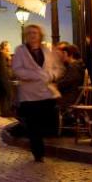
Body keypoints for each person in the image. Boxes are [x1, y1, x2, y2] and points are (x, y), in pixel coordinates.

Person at [12, 25, 62, 162]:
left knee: (45, 122)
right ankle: (38, 153)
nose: (32, 35)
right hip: (29, 95)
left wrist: (51, 76)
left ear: (40, 35)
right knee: (33, 125)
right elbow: (17, 70)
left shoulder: (46, 50)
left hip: (46, 93)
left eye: (35, 33)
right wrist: (35, 75)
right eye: (29, 33)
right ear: (26, 36)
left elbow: (57, 68)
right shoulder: (20, 51)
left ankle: (42, 147)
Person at [55, 42, 85, 114]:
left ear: (66, 54)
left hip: (69, 99)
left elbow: (65, 82)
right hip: (72, 97)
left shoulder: (73, 67)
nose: (61, 57)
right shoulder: (78, 65)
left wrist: (54, 85)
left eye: (62, 54)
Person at [0, 41, 15, 117]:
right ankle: (6, 114)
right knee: (6, 100)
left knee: (8, 99)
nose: (10, 47)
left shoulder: (4, 56)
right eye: (8, 45)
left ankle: (6, 113)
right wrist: (6, 85)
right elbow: (3, 72)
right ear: (5, 46)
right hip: (4, 83)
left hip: (5, 82)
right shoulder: (1, 56)